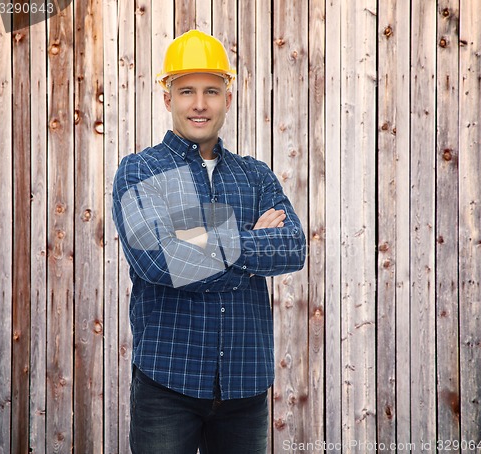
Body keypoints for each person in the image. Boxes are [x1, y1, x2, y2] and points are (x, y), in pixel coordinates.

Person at [112, 29, 306, 454]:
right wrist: (251, 243)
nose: (199, 104)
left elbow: (293, 247)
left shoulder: (255, 175)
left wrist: (199, 241)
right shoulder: (140, 172)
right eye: (186, 91)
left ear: (227, 99)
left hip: (245, 385)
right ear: (168, 98)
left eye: (211, 91)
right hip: (167, 384)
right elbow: (157, 261)